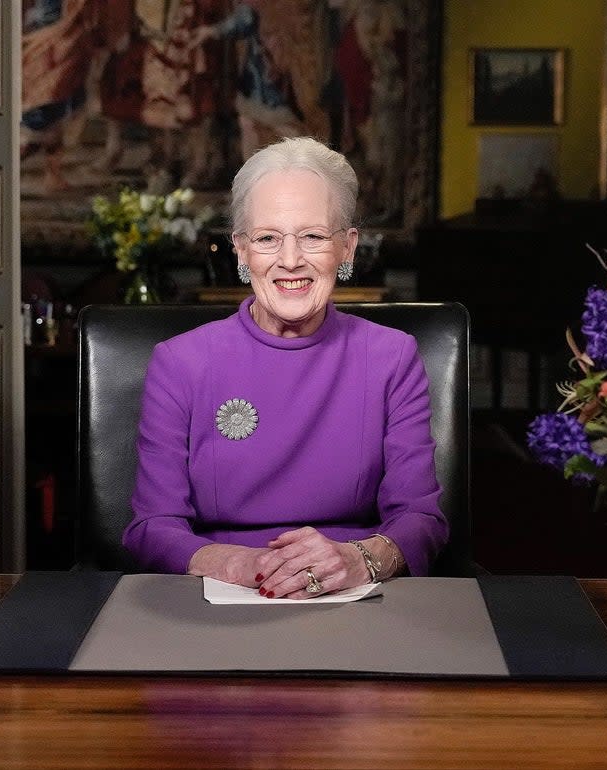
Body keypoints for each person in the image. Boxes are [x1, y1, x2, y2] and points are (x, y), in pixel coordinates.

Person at [122, 136, 448, 599]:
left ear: (347, 248)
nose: (290, 260)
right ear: (240, 250)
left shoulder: (392, 357)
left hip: (353, 598)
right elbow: (152, 527)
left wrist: (359, 559)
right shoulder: (180, 362)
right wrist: (244, 565)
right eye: (268, 238)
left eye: (313, 237)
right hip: (218, 597)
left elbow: (421, 520)